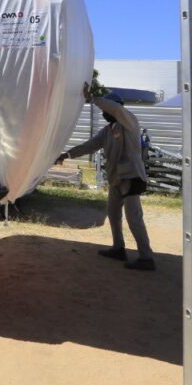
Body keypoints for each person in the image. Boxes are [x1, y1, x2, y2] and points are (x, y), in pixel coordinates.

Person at [56, 91, 155, 271]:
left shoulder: (129, 121)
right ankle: (118, 248)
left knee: (134, 218)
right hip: (117, 178)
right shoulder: (108, 131)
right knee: (113, 213)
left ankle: (146, 257)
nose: (104, 113)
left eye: (107, 108)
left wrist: (94, 98)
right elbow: (90, 145)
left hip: (131, 176)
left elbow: (114, 108)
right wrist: (68, 154)